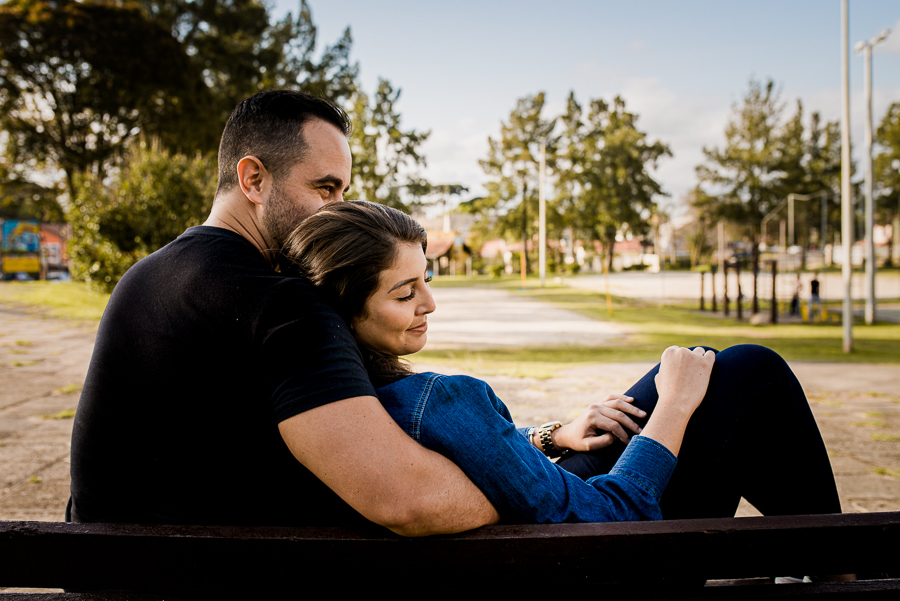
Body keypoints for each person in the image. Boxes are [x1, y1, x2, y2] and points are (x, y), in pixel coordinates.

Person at [68, 90, 499, 535]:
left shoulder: (145, 276)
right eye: (325, 189)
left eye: (344, 191)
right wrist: (520, 490)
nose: (340, 210)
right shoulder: (280, 304)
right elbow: (410, 501)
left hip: (103, 566)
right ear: (254, 179)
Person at [284, 201, 843, 524]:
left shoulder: (335, 413)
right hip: (594, 573)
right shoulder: (438, 401)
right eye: (405, 293)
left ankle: (831, 566)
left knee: (705, 375)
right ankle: (841, 575)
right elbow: (610, 518)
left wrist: (550, 435)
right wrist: (674, 408)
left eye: (426, 280)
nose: (430, 303)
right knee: (748, 371)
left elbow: (462, 454)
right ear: (342, 313)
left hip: (527, 550)